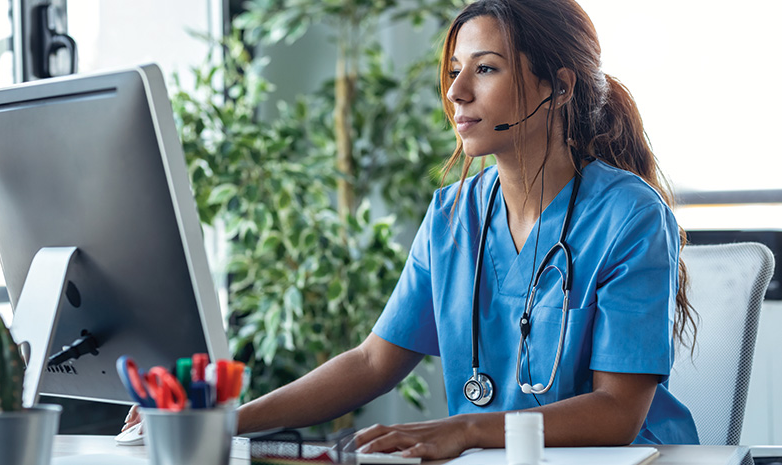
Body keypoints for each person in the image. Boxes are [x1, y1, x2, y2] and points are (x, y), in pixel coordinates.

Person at [125, 0, 699, 458]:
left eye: (485, 69)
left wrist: (466, 430)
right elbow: (372, 362)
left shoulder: (630, 216)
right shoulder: (453, 215)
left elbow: (617, 412)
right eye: (454, 71)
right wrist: (224, 420)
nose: (456, 92)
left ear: (560, 86)